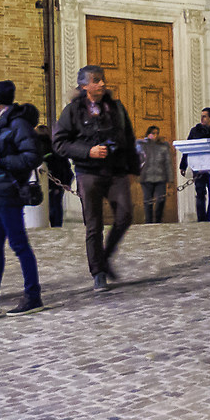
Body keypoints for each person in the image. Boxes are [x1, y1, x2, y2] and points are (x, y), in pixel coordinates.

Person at [51, 64, 138, 288]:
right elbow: (60, 143)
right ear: (84, 86)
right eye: (96, 80)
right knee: (94, 224)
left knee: (125, 215)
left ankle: (105, 257)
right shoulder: (72, 111)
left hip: (116, 171)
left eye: (102, 80)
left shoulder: (116, 107)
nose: (102, 84)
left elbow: (129, 138)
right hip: (88, 173)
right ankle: (98, 271)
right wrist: (87, 152)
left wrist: (132, 170)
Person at [0, 82, 44, 315]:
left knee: (19, 244)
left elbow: (31, 157)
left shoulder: (17, 124)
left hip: (8, 194)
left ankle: (33, 295)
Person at [182, 107, 210, 222]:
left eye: (204, 116)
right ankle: (201, 220)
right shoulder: (195, 131)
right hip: (199, 168)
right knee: (200, 193)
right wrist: (183, 165)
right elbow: (187, 149)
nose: (201, 119)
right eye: (201, 116)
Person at [138, 125, 173, 223]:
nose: (155, 135)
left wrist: (170, 179)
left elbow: (168, 163)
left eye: (157, 133)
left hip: (160, 177)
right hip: (146, 177)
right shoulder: (142, 145)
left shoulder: (163, 147)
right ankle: (148, 222)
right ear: (148, 134)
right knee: (148, 201)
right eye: (153, 133)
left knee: (161, 200)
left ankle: (158, 220)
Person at [39, 122, 70, 228]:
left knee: (53, 207)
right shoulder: (55, 148)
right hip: (56, 183)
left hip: (52, 182)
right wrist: (65, 182)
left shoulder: (39, 148)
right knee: (55, 207)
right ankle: (56, 226)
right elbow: (65, 167)